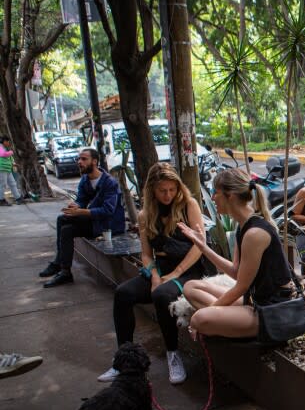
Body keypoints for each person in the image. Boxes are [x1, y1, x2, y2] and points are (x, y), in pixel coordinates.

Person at [98, 163, 205, 384]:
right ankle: (124, 361)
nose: (168, 195)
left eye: (172, 189)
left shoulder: (189, 205)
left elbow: (199, 246)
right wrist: (155, 276)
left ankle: (173, 355)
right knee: (123, 293)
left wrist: (176, 272)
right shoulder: (145, 215)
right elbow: (146, 255)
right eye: (162, 190)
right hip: (162, 270)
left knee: (161, 295)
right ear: (152, 191)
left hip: (188, 270)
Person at [178, 169, 296, 339]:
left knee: (198, 318)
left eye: (215, 192)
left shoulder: (255, 233)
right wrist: (203, 247)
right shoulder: (243, 227)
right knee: (190, 287)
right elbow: (236, 272)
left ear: (230, 195)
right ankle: (226, 319)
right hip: (253, 301)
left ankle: (224, 320)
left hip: (271, 311)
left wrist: (212, 311)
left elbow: (241, 287)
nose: (212, 198)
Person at [39, 148, 125, 288]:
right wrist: (75, 205)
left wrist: (80, 212)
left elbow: (108, 211)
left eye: (84, 159)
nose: (79, 162)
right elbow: (81, 200)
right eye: (79, 159)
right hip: (94, 221)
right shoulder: (85, 180)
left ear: (95, 161)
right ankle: (64, 269)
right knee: (64, 222)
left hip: (108, 226)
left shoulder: (110, 182)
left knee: (65, 226)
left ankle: (60, 266)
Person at [0, 136, 25, 206]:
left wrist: (14, 163)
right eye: (8, 141)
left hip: (7, 169)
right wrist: (11, 152)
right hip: (2, 169)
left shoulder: (5, 148)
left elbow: (9, 158)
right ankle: (1, 200)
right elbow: (3, 154)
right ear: (4, 141)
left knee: (12, 183)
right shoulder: (0, 147)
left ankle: (18, 198)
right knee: (3, 185)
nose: (8, 143)